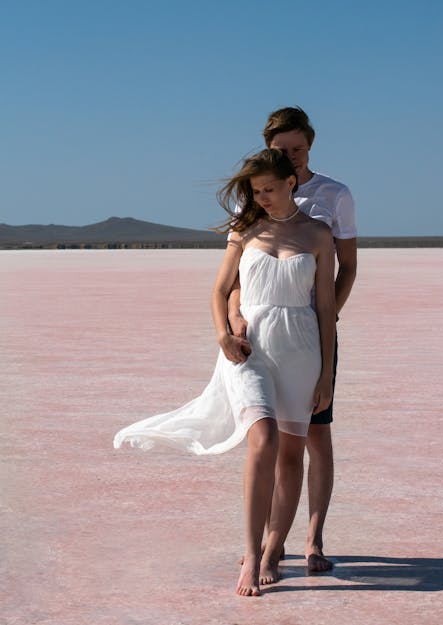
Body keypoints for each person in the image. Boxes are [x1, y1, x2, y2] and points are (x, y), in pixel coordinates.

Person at [114, 148, 336, 597]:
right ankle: (252, 554)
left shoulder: (317, 234)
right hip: (249, 348)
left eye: (270, 189)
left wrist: (327, 375)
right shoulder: (246, 228)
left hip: (301, 347)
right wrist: (223, 333)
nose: (264, 198)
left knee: (292, 455)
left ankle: (275, 548)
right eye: (257, 192)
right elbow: (219, 290)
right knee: (264, 438)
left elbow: (327, 310)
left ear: (291, 182)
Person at [228, 107, 357, 572]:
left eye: (299, 148)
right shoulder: (256, 197)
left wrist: (323, 325)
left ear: (311, 146)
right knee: (269, 440)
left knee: (315, 436)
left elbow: (346, 268)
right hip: (263, 335)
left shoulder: (333, 195)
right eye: (283, 150)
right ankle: (266, 547)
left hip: (312, 333)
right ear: (269, 149)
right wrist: (234, 317)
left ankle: (314, 537)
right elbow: (240, 276)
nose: (293, 157)